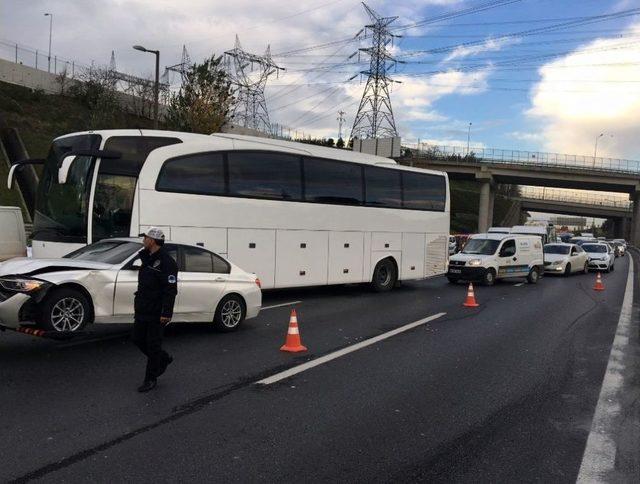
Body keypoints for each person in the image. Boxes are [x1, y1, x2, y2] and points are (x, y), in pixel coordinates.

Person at [131, 227, 178, 392]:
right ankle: (163, 358)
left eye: (145, 238)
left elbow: (170, 289)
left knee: (153, 345)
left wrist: (167, 312)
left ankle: (150, 379)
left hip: (157, 311)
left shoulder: (167, 262)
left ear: (152, 240)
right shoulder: (146, 258)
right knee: (137, 339)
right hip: (143, 307)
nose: (143, 240)